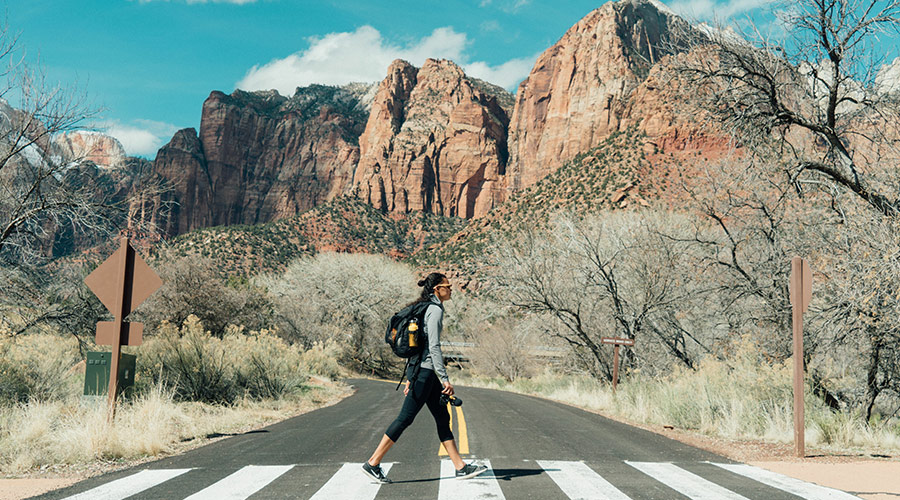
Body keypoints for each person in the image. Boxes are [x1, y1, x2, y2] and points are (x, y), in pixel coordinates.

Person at [362, 272, 488, 483]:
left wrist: (412, 375)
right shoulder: (434, 310)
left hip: (423, 372)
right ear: (437, 289)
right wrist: (444, 378)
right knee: (405, 418)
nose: (450, 289)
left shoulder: (426, 308)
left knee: (442, 418)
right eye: (447, 285)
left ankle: (460, 466)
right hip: (426, 373)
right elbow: (433, 347)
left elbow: (417, 346)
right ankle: (373, 463)